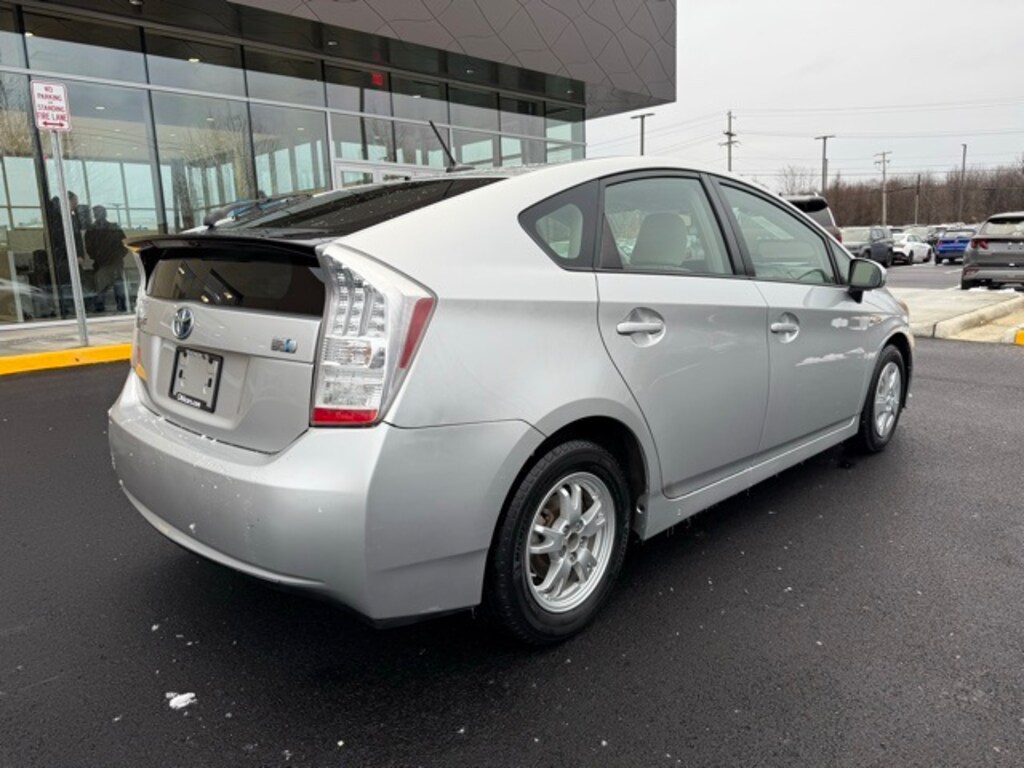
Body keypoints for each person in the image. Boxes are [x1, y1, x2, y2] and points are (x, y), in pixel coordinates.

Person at [85, 205, 127, 313]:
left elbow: (124, 245)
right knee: (106, 285)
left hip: (111, 261)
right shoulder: (93, 231)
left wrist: (117, 256)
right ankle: (116, 306)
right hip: (105, 262)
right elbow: (89, 248)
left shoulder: (112, 229)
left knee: (109, 285)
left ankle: (117, 306)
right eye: (97, 213)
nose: (99, 216)